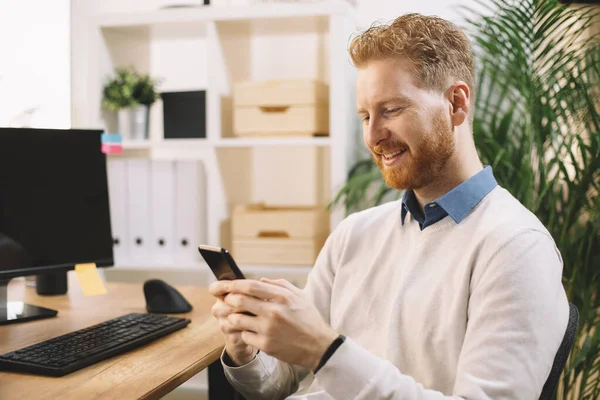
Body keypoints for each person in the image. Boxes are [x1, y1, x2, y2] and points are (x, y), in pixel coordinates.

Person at [209, 13, 569, 399]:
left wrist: (324, 351)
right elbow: (277, 383)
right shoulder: (353, 234)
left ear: (456, 103)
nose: (373, 135)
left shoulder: (516, 246)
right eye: (365, 115)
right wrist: (245, 350)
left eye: (392, 110)